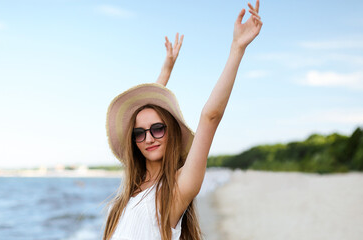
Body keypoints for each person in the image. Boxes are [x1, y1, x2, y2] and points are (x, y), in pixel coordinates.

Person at [103, 1, 263, 239]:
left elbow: (210, 117)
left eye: (158, 129)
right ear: (134, 141)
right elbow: (146, 113)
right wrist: (165, 71)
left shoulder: (177, 189)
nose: (148, 138)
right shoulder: (127, 197)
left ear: (171, 132)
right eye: (140, 133)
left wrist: (237, 49)